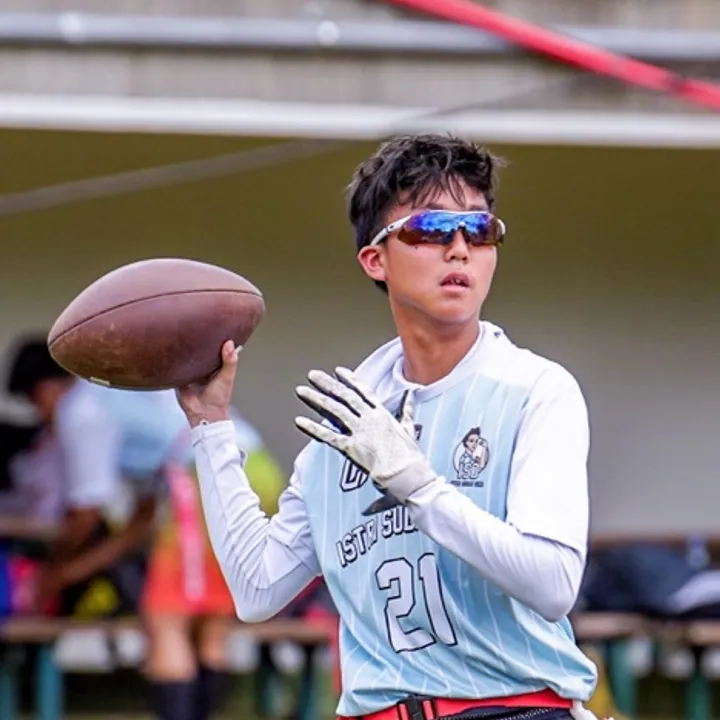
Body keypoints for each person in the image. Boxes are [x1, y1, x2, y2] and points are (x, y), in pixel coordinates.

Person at [175, 133, 600, 720]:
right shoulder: (351, 415)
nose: (460, 249)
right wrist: (210, 426)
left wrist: (419, 487)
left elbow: (553, 584)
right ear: (375, 259)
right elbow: (257, 588)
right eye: (431, 228)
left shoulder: (535, 390)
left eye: (479, 230)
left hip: (513, 709)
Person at [4, 337, 284, 720]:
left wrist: (55, 570)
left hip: (200, 473)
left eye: (36, 403)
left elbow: (85, 512)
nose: (44, 417)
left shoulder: (79, 410)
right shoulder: (116, 394)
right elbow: (140, 521)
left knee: (167, 618)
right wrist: (68, 573)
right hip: (255, 467)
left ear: (45, 389)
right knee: (210, 618)